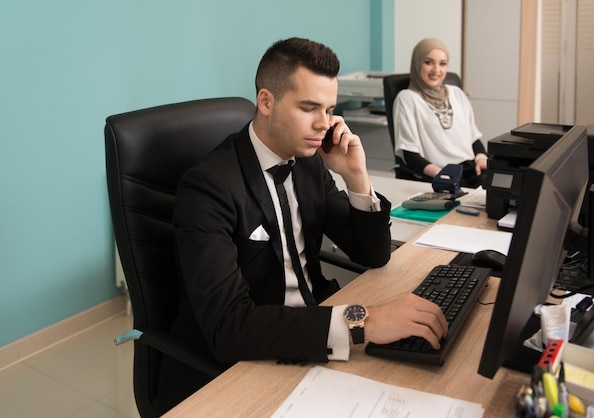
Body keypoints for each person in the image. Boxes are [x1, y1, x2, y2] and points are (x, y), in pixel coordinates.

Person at [157, 37, 448, 413]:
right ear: (266, 101)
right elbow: (229, 327)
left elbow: (372, 254)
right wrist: (362, 322)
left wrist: (357, 177)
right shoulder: (209, 187)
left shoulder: (310, 159)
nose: (323, 124)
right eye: (309, 108)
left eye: (329, 110)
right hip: (252, 356)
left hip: (318, 327)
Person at [394, 38, 487, 188]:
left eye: (442, 64)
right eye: (428, 62)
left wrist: (482, 158)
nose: (436, 70)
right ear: (417, 64)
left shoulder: (456, 93)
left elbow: (473, 138)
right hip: (439, 173)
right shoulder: (407, 98)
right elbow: (410, 156)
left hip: (471, 169)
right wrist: (443, 175)